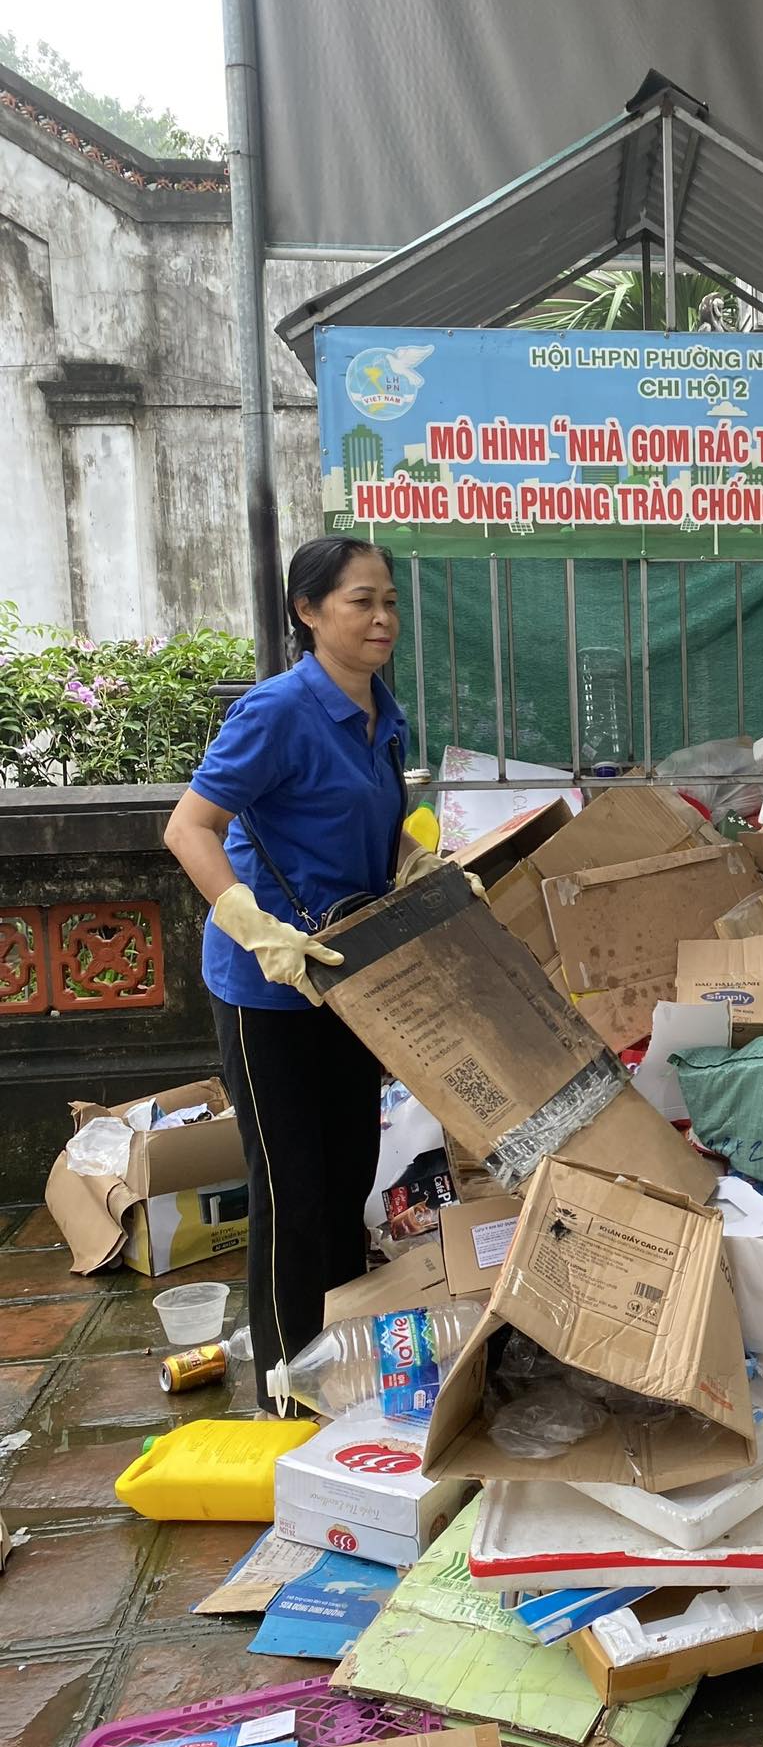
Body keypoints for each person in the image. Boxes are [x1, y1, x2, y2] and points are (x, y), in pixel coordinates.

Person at [165, 538, 468, 1410]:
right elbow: (190, 828)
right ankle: (286, 1390)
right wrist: (256, 929)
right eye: (360, 602)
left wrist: (418, 860)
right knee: (292, 1191)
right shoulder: (277, 712)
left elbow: (378, 823)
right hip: (270, 989)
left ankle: (342, 1368)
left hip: (349, 976)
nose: (383, 621)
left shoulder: (381, 706)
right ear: (308, 612)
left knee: (347, 1178)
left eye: (390, 603)